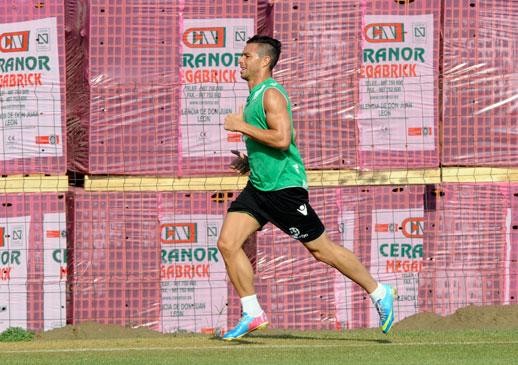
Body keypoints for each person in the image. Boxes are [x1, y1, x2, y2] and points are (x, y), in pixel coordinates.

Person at [218, 35, 396, 341]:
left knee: (321, 250)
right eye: (242, 55)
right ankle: (252, 312)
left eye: (248, 56)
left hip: (284, 189)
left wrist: (241, 126)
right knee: (227, 244)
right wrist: (250, 162)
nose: (241, 60)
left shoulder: (271, 95)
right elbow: (269, 144)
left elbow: (282, 139)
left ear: (265, 61)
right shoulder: (253, 95)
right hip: (260, 187)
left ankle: (380, 292)